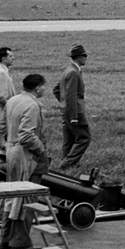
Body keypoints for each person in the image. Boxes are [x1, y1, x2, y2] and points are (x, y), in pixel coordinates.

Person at [0, 73, 49, 249]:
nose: (45, 89)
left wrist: (9, 143)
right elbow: (27, 135)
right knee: (26, 198)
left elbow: (1, 126)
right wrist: (41, 150)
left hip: (10, 150)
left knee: (11, 195)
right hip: (25, 153)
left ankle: (5, 239)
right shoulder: (33, 105)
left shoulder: (12, 100)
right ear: (37, 87)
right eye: (44, 86)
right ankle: (20, 241)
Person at [56, 44, 91, 172]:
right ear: (79, 57)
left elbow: (57, 89)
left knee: (69, 139)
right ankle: (67, 163)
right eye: (85, 56)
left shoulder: (68, 70)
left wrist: (63, 104)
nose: (86, 58)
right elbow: (71, 96)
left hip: (67, 110)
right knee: (84, 137)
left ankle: (66, 164)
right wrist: (74, 115)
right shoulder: (74, 73)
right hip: (74, 111)